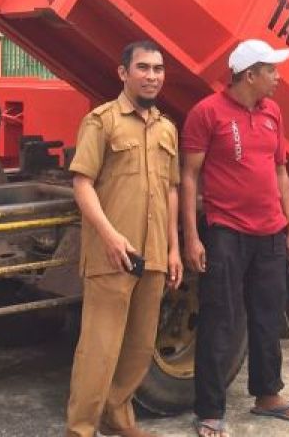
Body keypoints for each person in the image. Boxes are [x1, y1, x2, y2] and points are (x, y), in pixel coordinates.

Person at [180, 39, 289, 437]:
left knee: (268, 316)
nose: (278, 76)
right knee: (221, 319)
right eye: (271, 69)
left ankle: (268, 395)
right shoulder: (207, 113)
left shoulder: (272, 111)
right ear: (249, 74)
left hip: (271, 233)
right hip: (226, 233)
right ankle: (209, 409)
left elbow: (280, 172)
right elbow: (188, 177)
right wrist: (192, 237)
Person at [65, 40, 182, 437]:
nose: (152, 76)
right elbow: (82, 184)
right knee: (99, 349)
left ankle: (119, 418)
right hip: (112, 256)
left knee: (138, 346)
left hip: (152, 256)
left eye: (158, 69)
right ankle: (80, 429)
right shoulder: (102, 121)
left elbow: (171, 190)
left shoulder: (167, 128)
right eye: (144, 68)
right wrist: (111, 237)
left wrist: (174, 248)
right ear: (123, 73)